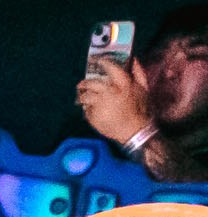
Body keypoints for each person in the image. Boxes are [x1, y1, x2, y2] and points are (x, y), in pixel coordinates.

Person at [78, 5, 208, 183]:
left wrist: (136, 133)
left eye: (196, 55)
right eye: (157, 56)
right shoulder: (87, 142)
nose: (168, 72)